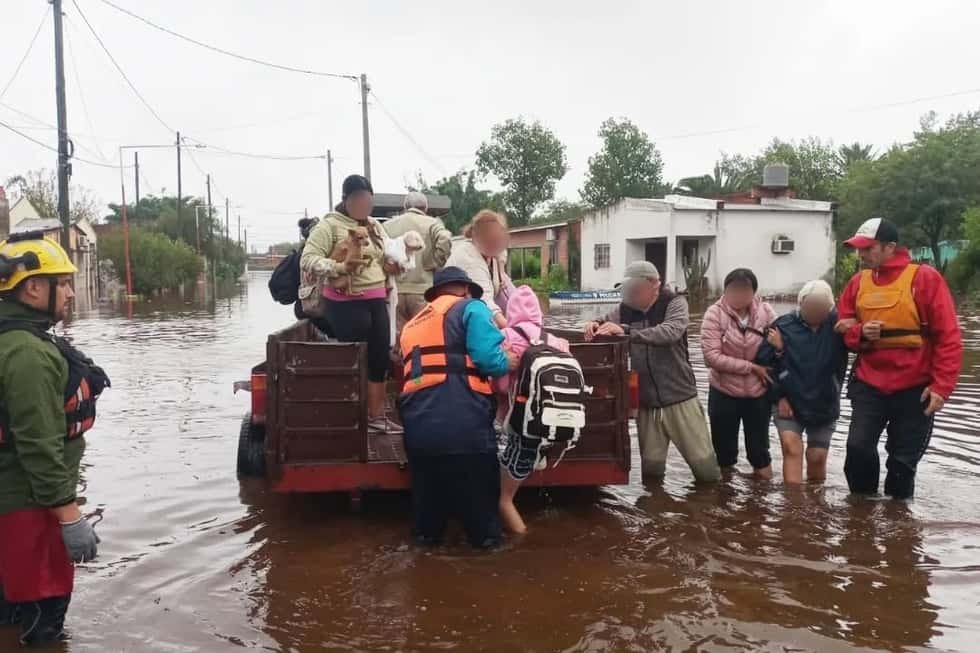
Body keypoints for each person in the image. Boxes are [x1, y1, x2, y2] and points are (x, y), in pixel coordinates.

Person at [0, 233, 108, 646]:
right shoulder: (27, 353)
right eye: (62, 283)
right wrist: (70, 518)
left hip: (13, 503)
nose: (69, 292)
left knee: (10, 617)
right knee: (43, 625)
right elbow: (39, 446)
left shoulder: (16, 339)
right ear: (32, 288)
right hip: (28, 506)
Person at [835, 217, 962, 499]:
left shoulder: (925, 279)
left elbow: (949, 338)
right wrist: (860, 333)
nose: (861, 255)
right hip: (870, 384)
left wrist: (942, 387)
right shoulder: (858, 282)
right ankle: (860, 515)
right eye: (859, 249)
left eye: (868, 248)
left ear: (890, 247)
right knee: (857, 448)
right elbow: (843, 330)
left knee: (902, 464)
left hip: (915, 388)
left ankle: (899, 526)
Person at [397, 267, 517, 548]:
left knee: (427, 522)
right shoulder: (471, 308)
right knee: (483, 528)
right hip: (464, 425)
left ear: (435, 294)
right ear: (464, 289)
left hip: (418, 429)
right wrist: (507, 362)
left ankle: (425, 557)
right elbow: (488, 359)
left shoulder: (412, 324)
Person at [584, 261, 721, 483]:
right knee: (651, 474)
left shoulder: (674, 303)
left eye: (635, 289)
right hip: (647, 405)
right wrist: (594, 324)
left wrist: (628, 332)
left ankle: (712, 512)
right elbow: (606, 322)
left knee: (706, 471)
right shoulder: (624, 309)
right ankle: (653, 513)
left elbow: (670, 332)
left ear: (654, 285)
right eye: (627, 290)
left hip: (680, 398)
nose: (630, 295)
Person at [300, 175, 402, 434]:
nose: (363, 203)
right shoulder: (330, 226)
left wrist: (392, 265)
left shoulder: (376, 227)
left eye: (367, 198)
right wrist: (339, 267)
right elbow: (308, 259)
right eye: (356, 198)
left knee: (379, 360)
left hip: (377, 301)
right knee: (355, 361)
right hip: (345, 304)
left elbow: (385, 257)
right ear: (345, 200)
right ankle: (352, 416)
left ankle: (376, 417)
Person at [494, 285, 571, 534]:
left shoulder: (506, 336)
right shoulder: (554, 340)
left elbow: (501, 384)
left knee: (503, 500)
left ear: (511, 310)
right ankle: (536, 459)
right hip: (550, 422)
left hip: (519, 424)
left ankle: (522, 541)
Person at [756, 280, 848, 484]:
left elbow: (862, 346)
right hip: (789, 401)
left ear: (830, 307)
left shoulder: (839, 327)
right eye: (810, 305)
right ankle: (794, 508)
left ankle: (815, 506)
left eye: (821, 307)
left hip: (824, 402)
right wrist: (779, 397)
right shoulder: (783, 326)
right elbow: (764, 366)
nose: (815, 311)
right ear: (800, 304)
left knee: (817, 457)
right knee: (791, 448)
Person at [701, 268, 777, 479]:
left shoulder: (766, 312)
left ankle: (762, 502)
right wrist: (751, 367)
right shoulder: (714, 314)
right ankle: (725, 502)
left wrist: (779, 346)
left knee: (760, 451)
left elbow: (782, 344)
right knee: (723, 454)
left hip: (758, 393)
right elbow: (711, 358)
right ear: (725, 290)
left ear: (753, 292)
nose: (738, 295)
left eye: (745, 290)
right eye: (733, 290)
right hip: (723, 391)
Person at [382, 192, 453, 337]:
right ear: (425, 208)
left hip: (395, 290)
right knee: (421, 336)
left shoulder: (387, 226)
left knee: (398, 339)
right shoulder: (432, 223)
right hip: (423, 290)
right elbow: (445, 238)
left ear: (405, 207)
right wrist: (435, 262)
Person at [445, 210, 514, 329]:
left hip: (469, 316)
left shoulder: (490, 254)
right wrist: (513, 329)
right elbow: (484, 300)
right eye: (493, 240)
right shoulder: (470, 257)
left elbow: (502, 253)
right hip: (453, 323)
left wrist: (501, 270)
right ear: (478, 237)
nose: (498, 244)